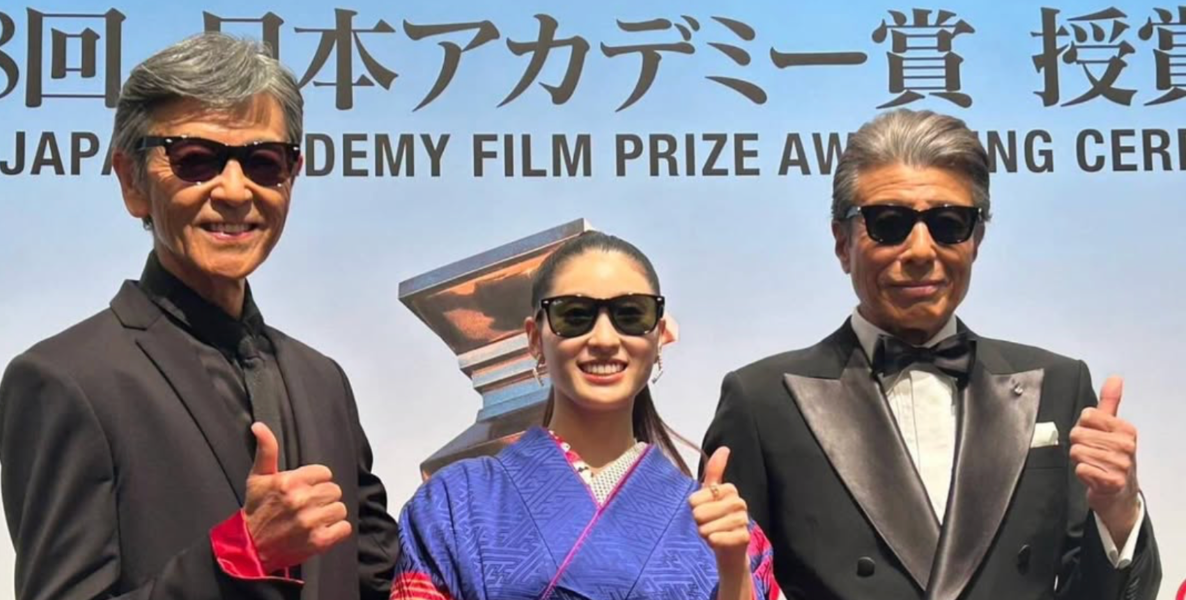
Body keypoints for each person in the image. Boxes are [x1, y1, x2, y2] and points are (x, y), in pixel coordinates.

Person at [0, 33, 398, 600]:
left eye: (264, 163)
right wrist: (240, 555)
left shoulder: (323, 380)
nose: (234, 191)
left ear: (292, 176)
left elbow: (380, 577)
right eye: (195, 160)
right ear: (132, 181)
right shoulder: (66, 380)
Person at [702, 108, 1161, 600]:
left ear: (976, 241)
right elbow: (721, 580)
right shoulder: (762, 401)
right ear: (842, 243)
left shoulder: (1058, 385)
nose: (921, 251)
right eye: (889, 223)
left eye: (948, 223)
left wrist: (1118, 513)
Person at [390, 232, 779, 600]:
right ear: (534, 338)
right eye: (574, 315)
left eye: (631, 315)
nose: (604, 339)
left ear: (659, 335)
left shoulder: (727, 528)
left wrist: (734, 573)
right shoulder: (452, 504)